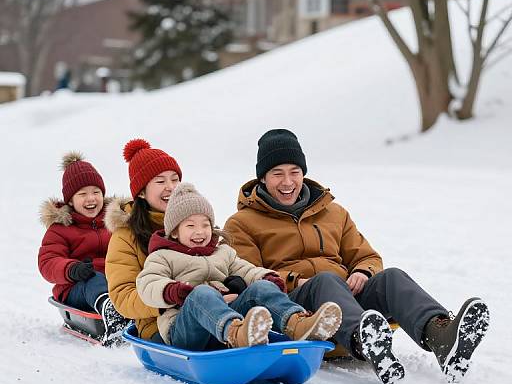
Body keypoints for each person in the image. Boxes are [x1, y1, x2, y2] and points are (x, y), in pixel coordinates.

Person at [224, 129, 490, 384]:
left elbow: (367, 256)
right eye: (277, 174)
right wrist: (297, 281)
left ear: (303, 173)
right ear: (262, 178)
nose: (287, 182)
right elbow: (248, 277)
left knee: (391, 278)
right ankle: (366, 341)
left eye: (295, 172)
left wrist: (363, 272)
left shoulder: (333, 213)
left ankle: (441, 337)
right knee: (325, 280)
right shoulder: (242, 223)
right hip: (295, 308)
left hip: (343, 295)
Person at [136, 182, 342, 350]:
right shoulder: (162, 256)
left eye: (205, 225)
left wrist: (267, 278)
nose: (200, 232)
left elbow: (247, 269)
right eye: (190, 226)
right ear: (174, 231)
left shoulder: (222, 252)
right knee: (201, 293)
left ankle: (296, 323)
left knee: (260, 287)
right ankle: (236, 334)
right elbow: (147, 284)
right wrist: (172, 290)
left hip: (224, 324)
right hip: (185, 330)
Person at [38, 152, 128, 346]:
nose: (91, 199)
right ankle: (112, 313)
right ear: (70, 200)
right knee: (93, 278)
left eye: (96, 192)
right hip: (78, 286)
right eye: (82, 194)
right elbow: (48, 261)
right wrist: (71, 269)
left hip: (116, 282)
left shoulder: (115, 222)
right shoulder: (61, 229)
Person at [105, 139, 183, 342]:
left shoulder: (193, 222)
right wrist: (167, 298)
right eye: (160, 181)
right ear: (141, 191)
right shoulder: (125, 237)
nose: (171, 187)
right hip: (159, 324)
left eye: (175, 179)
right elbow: (122, 295)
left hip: (213, 309)